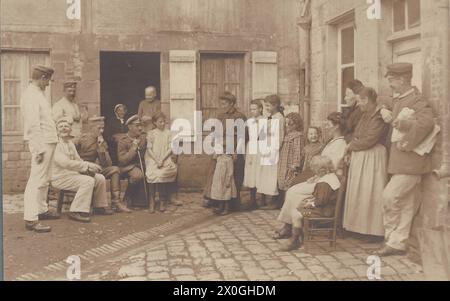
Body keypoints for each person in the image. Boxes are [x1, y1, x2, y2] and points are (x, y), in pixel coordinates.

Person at [374, 63, 436, 257]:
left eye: (391, 80)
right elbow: (386, 103)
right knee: (408, 204)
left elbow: (427, 123)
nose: (390, 84)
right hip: (400, 163)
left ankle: (391, 237)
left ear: (402, 80)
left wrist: (406, 141)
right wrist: (384, 109)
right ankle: (398, 242)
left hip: (410, 162)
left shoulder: (417, 100)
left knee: (389, 197)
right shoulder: (399, 99)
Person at [343, 87, 389, 239]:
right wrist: (351, 149)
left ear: (366, 100)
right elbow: (357, 134)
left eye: (360, 101)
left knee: (371, 192)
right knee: (360, 193)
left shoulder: (378, 116)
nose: (359, 104)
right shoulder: (365, 114)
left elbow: (370, 139)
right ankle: (357, 228)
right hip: (362, 157)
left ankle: (373, 232)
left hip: (373, 158)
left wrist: (350, 146)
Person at [51, 118, 113, 223]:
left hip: (72, 175)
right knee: (88, 181)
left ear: (70, 129)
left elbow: (78, 160)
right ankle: (76, 210)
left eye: (66, 126)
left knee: (100, 178)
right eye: (61, 127)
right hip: (60, 177)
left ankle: (99, 206)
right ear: (57, 130)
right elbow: (65, 163)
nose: (64, 129)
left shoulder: (70, 143)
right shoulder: (55, 144)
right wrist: (86, 166)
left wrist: (89, 165)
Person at [21, 65, 60, 233]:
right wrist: (38, 149)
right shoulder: (30, 95)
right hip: (41, 144)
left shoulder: (38, 94)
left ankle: (41, 210)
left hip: (48, 142)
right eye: (47, 81)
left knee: (45, 179)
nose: (48, 84)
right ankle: (31, 219)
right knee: (36, 181)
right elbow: (32, 124)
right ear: (42, 78)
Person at [275, 156, 341, 251]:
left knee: (296, 214)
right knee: (299, 207)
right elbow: (322, 199)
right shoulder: (330, 177)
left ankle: (295, 240)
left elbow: (321, 201)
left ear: (321, 170)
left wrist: (310, 203)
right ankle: (298, 238)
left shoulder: (324, 183)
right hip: (325, 208)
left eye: (314, 169)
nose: (313, 171)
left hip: (324, 212)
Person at [76, 116, 131, 213]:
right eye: (99, 128)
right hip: (81, 169)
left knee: (115, 169)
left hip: (94, 169)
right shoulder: (81, 139)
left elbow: (107, 164)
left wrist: (102, 149)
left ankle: (116, 202)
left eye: (103, 128)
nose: (101, 131)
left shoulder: (101, 141)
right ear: (91, 128)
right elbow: (72, 156)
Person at [203, 92, 247, 211]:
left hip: (233, 149)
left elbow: (243, 136)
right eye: (221, 104)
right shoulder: (220, 116)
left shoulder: (240, 117)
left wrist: (237, 151)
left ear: (232, 104)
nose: (222, 106)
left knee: (233, 177)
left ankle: (234, 202)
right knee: (217, 175)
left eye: (224, 104)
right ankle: (217, 199)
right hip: (221, 148)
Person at [145, 112, 178, 213]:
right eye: (160, 122)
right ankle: (152, 201)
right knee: (151, 174)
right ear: (155, 123)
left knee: (162, 174)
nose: (163, 124)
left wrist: (162, 160)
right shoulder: (151, 133)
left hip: (165, 157)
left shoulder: (169, 133)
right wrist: (156, 160)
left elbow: (170, 149)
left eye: (164, 121)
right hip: (153, 158)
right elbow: (149, 149)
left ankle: (162, 201)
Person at [258, 94, 286, 210]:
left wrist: (274, 150)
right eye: (265, 106)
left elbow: (279, 136)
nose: (267, 108)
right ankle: (266, 199)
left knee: (272, 175)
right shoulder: (270, 117)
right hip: (266, 148)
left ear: (275, 105)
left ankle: (273, 201)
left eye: (268, 106)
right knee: (265, 174)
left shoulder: (279, 118)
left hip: (272, 150)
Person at [117, 115, 148, 208]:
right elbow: (122, 160)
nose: (140, 128)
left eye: (140, 125)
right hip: (127, 167)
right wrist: (133, 148)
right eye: (137, 125)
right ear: (130, 127)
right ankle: (128, 197)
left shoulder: (142, 138)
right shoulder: (123, 141)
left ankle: (144, 201)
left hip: (140, 165)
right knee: (138, 175)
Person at [277, 113, 304, 207]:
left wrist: (295, 164)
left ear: (296, 124)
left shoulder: (297, 136)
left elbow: (298, 150)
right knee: (282, 180)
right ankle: (282, 202)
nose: (288, 126)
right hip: (283, 161)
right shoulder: (287, 135)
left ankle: (288, 203)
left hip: (290, 161)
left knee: (289, 180)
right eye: (286, 123)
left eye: (290, 124)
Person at [243, 99, 264, 210]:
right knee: (251, 172)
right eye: (251, 109)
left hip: (259, 148)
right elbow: (246, 136)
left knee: (258, 171)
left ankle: (262, 199)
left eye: (254, 109)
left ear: (260, 109)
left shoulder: (264, 120)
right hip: (250, 147)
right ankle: (252, 199)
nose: (252, 111)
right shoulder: (249, 121)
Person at [210, 145, 237, 216]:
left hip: (226, 179)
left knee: (226, 194)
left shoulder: (229, 159)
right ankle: (220, 207)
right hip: (219, 179)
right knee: (220, 194)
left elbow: (230, 171)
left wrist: (228, 180)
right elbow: (214, 157)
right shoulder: (219, 158)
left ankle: (226, 208)